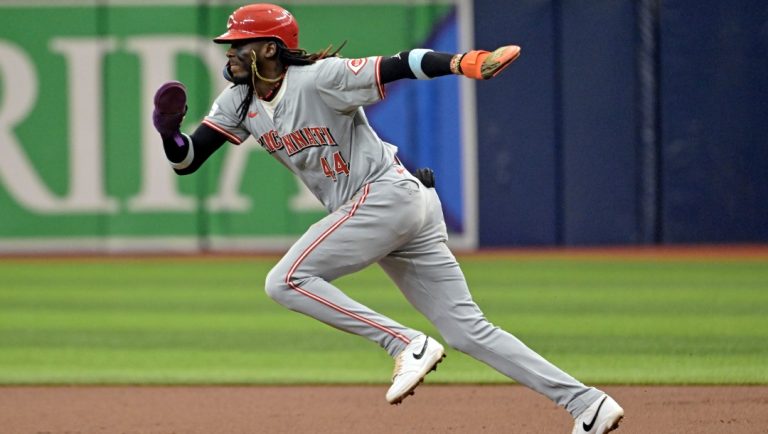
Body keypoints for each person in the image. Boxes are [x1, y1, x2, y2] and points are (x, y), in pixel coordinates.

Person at [151, 4, 624, 433]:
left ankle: (403, 344)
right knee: (467, 331)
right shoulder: (239, 101)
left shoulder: (319, 77)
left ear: (269, 48)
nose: (230, 52)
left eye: (239, 44)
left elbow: (400, 63)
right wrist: (169, 132)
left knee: (285, 281)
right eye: (230, 45)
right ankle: (588, 404)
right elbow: (189, 159)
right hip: (393, 207)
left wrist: (462, 62)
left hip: (386, 196)